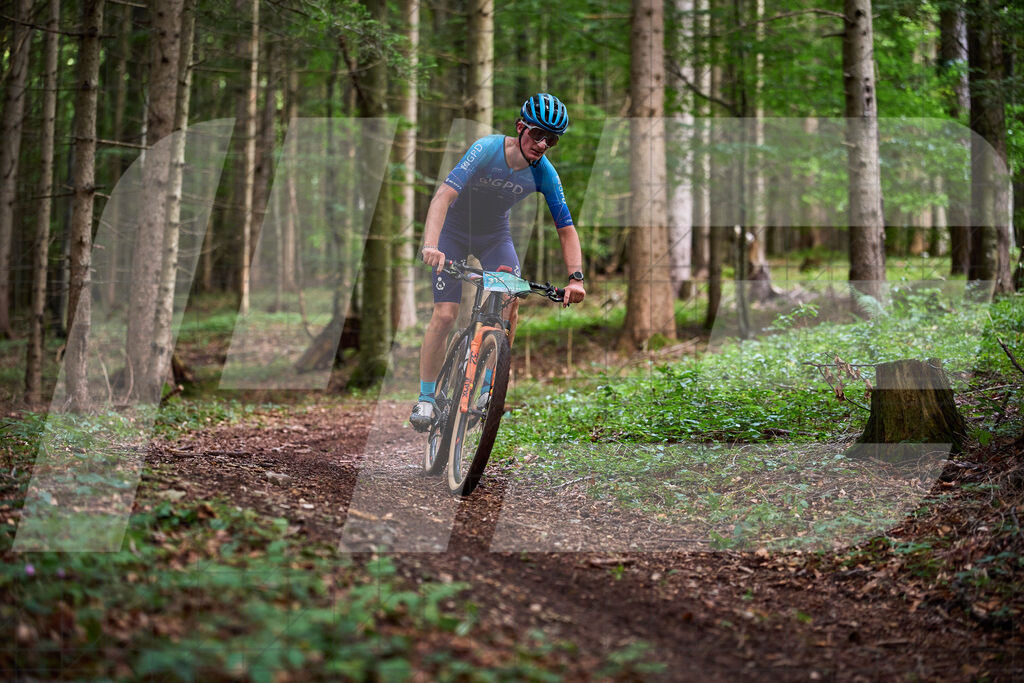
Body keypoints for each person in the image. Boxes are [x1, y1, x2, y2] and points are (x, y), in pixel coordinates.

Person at [411, 93, 586, 431]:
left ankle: (490, 386)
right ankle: (427, 397)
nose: (543, 143)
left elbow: (566, 228)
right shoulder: (487, 149)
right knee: (446, 314)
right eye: (537, 133)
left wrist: (575, 278)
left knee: (511, 301)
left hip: (494, 238)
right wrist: (431, 245)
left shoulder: (545, 173)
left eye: (552, 139)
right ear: (520, 128)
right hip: (454, 234)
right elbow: (443, 196)